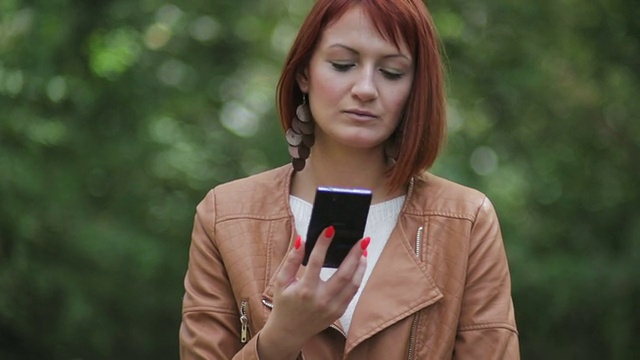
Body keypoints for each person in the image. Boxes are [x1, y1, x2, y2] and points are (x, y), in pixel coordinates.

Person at [179, 0, 519, 358]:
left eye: (392, 72)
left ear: (415, 88)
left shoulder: (464, 220)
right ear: (304, 72)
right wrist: (280, 337)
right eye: (343, 64)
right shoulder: (227, 216)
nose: (366, 88)